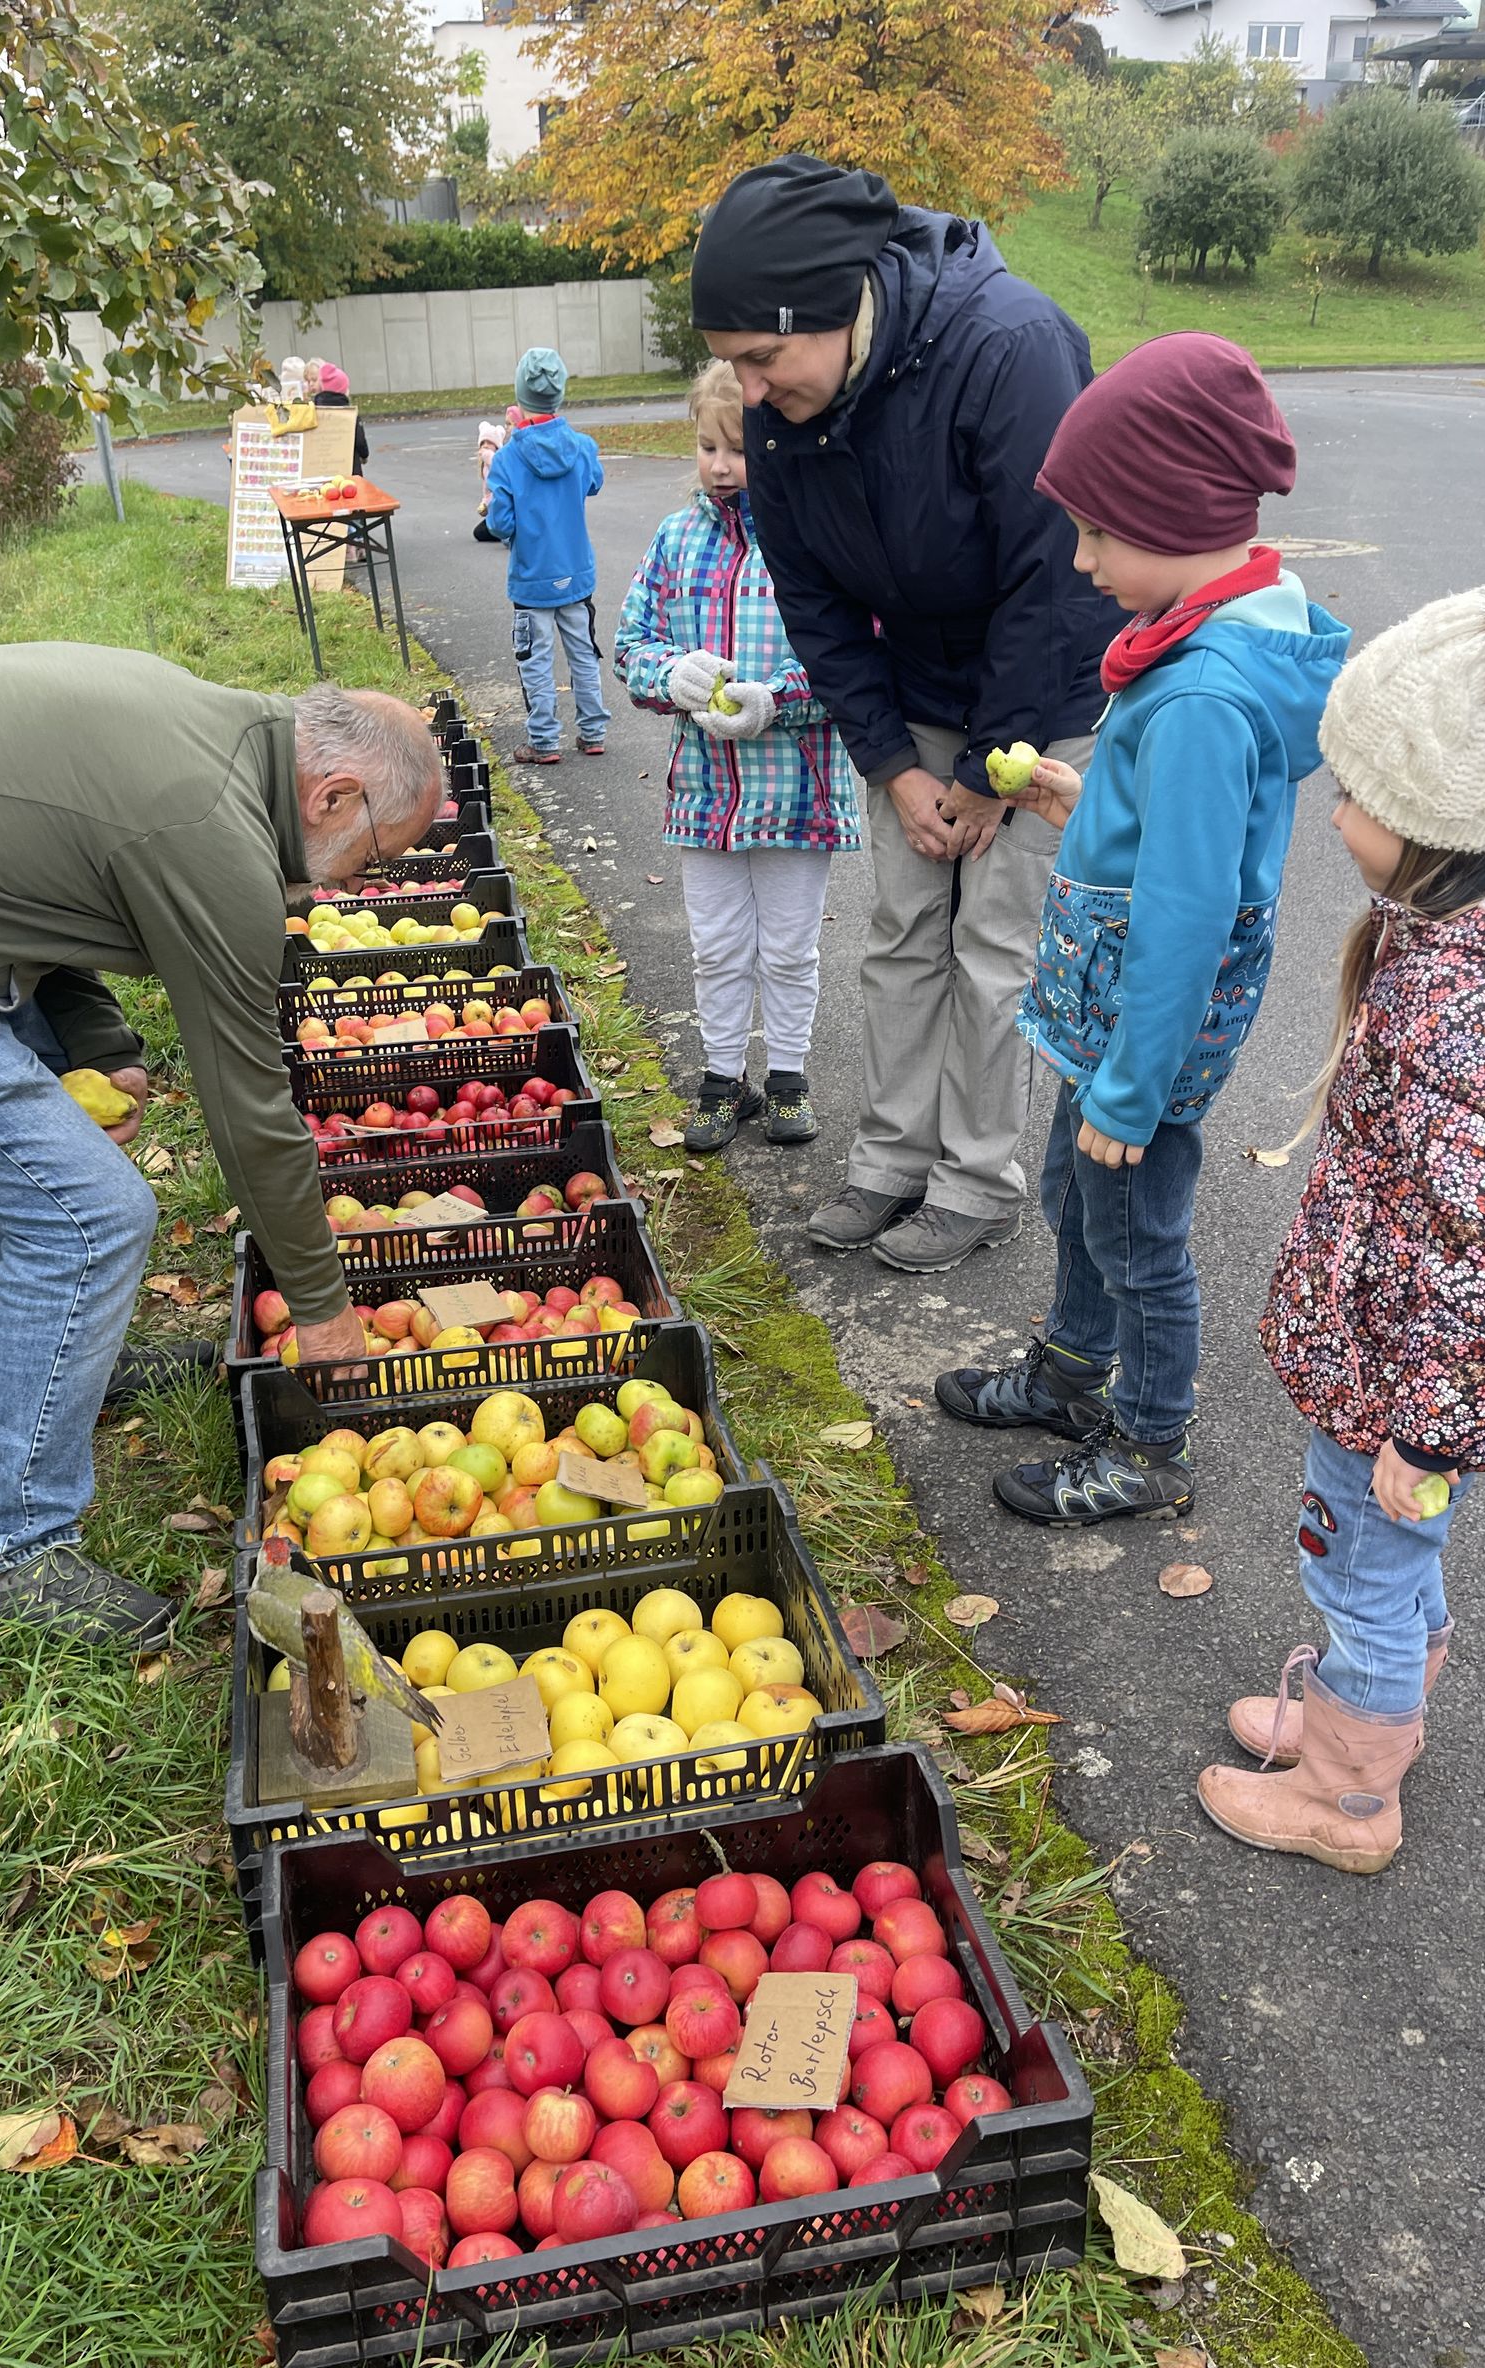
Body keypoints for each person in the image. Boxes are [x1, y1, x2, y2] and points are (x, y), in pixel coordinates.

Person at [0, 648, 443, 1650]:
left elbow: (35, 873)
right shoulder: (208, 827)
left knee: (62, 1187)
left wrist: (102, 1048)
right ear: (333, 794)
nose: (352, 888)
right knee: (90, 1211)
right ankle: (11, 1551)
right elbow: (249, 1106)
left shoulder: (214, 732)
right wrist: (323, 1312)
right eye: (372, 858)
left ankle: (73, 1362)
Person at [936, 335, 1348, 1525]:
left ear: (1171, 513)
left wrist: (1132, 1087)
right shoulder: (1187, 649)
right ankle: (1069, 1374)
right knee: (1074, 1192)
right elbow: (1172, 837)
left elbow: (1188, 908)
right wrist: (1083, 801)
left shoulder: (1208, 692)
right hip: (1112, 1016)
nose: (1080, 558)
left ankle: (1151, 1440)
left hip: (1144, 1030)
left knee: (1136, 1228)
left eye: (1099, 533)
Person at [689, 154, 1120, 1272]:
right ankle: (890, 1159)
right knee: (904, 931)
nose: (746, 390)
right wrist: (892, 764)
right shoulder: (785, 415)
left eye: (760, 357)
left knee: (992, 942)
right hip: (918, 694)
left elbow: (1056, 580)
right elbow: (814, 604)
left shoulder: (1009, 349)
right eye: (729, 364)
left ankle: (977, 1177)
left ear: (829, 312)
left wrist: (985, 775)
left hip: (1045, 694)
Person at [1196, 556, 1485, 1873]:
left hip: (1405, 1379)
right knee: (1389, 1559)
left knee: (1361, 1560)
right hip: (1397, 1363)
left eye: (1361, 797)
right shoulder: (1456, 943)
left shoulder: (1477, 994)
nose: (1335, 816)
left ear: (1447, 821)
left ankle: (1347, 1795)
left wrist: (1427, 1427)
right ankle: (1365, 1708)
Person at [614, 360, 860, 1150]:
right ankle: (725, 1078)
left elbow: (854, 657)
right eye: (706, 446)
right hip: (707, 795)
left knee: (788, 946)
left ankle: (787, 1074)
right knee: (717, 944)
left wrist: (778, 701)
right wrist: (670, 674)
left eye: (738, 448)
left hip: (796, 790)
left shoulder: (817, 533)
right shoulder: (676, 537)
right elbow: (630, 644)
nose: (720, 464)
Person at [479, 347, 609, 768]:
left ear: (520, 397)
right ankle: (592, 731)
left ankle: (543, 739)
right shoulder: (582, 447)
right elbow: (593, 485)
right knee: (583, 654)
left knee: (535, 660)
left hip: (532, 578)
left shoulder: (508, 459)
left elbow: (499, 523)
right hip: (575, 574)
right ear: (560, 393)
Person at [308, 358, 370, 478]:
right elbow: (360, 440)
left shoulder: (314, 412)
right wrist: (364, 455)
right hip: (351, 470)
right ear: (343, 390)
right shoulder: (349, 414)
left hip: (322, 471)